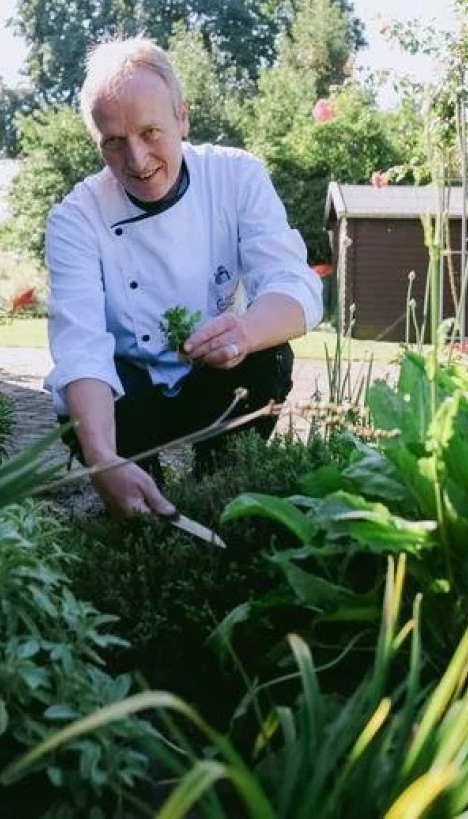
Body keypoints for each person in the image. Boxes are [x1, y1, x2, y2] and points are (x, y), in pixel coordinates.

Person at [43, 38, 323, 518]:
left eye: (151, 132)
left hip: (217, 378)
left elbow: (292, 284)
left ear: (183, 118)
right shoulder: (75, 217)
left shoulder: (237, 176)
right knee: (89, 420)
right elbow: (80, 348)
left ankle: (222, 481)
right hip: (132, 395)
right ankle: (131, 487)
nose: (137, 160)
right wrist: (101, 459)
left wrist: (244, 331)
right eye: (113, 141)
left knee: (267, 355)